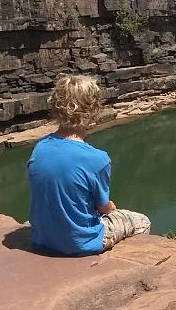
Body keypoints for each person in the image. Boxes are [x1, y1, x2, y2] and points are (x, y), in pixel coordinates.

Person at [27, 75, 150, 256]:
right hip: (80, 243)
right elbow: (103, 208)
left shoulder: (40, 147)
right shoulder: (98, 159)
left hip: (42, 240)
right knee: (142, 221)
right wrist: (111, 207)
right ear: (93, 110)